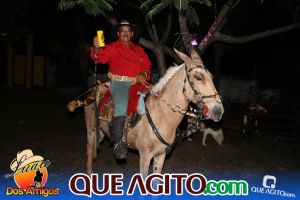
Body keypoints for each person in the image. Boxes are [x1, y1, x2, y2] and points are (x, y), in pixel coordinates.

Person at [90, 20, 152, 160]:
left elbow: (147, 66)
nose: (125, 33)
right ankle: (119, 144)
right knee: (122, 106)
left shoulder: (139, 50)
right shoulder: (112, 47)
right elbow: (99, 58)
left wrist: (144, 74)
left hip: (138, 83)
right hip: (120, 83)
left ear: (132, 34)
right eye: (122, 30)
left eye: (128, 31)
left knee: (157, 98)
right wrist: (97, 48)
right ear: (118, 34)